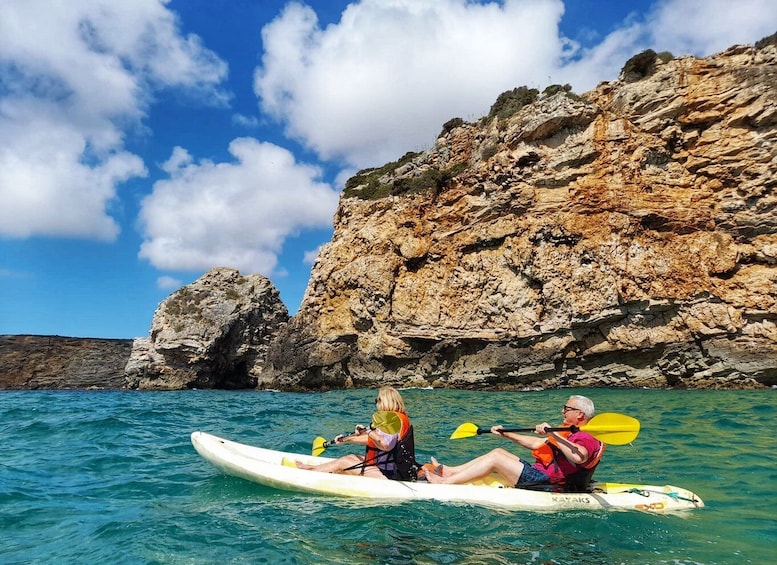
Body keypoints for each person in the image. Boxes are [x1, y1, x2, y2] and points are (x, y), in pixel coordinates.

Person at [425, 395, 604, 491]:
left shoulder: (587, 436)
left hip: (547, 483)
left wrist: (554, 433)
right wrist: (507, 434)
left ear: (580, 414)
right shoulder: (570, 434)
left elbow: (580, 457)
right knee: (499, 451)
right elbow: (537, 444)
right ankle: (451, 471)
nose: (562, 411)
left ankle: (446, 484)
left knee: (496, 458)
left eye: (567, 408)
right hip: (539, 475)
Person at [296, 386, 418, 480]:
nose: (376, 403)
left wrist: (369, 431)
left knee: (343, 463)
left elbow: (386, 445)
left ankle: (309, 472)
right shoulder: (395, 419)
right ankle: (313, 469)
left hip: (389, 474)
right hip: (387, 469)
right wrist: (347, 439)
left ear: (384, 401)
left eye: (377, 400)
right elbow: (376, 440)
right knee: (350, 457)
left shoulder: (393, 421)